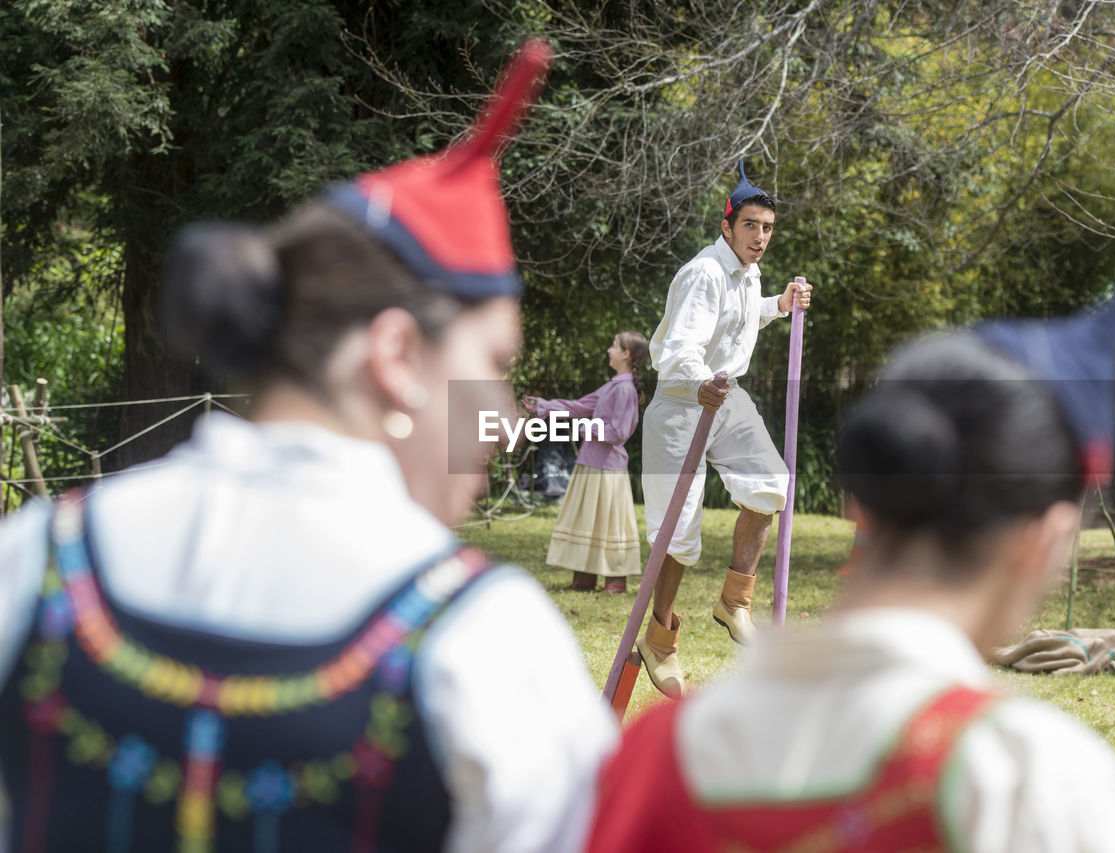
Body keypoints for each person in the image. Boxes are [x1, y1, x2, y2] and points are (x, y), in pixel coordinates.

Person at [0, 42, 617, 853]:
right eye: (494, 365)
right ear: (396, 356)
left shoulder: (34, 561)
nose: (501, 416)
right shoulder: (488, 647)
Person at [588, 220, 1115, 852]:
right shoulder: (1038, 785)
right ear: (1044, 541)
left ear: (860, 507)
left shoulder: (653, 758)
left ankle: (729, 601)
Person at [638, 161, 814, 698]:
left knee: (771, 486)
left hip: (726, 395)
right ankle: (660, 639)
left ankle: (734, 599)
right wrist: (700, 385)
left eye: (767, 228)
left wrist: (778, 306)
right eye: (751, 226)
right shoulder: (702, 273)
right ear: (727, 226)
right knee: (678, 534)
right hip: (682, 399)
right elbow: (680, 349)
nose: (760, 237)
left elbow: (738, 317)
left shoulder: (747, 272)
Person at [522, 332, 648, 594]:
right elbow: (579, 406)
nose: (608, 350)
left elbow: (619, 432)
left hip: (607, 469)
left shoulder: (625, 390)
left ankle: (615, 582)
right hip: (590, 463)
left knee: (608, 522)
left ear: (626, 354)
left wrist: (586, 427)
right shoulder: (613, 386)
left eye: (614, 346)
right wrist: (543, 407)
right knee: (586, 520)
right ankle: (584, 579)